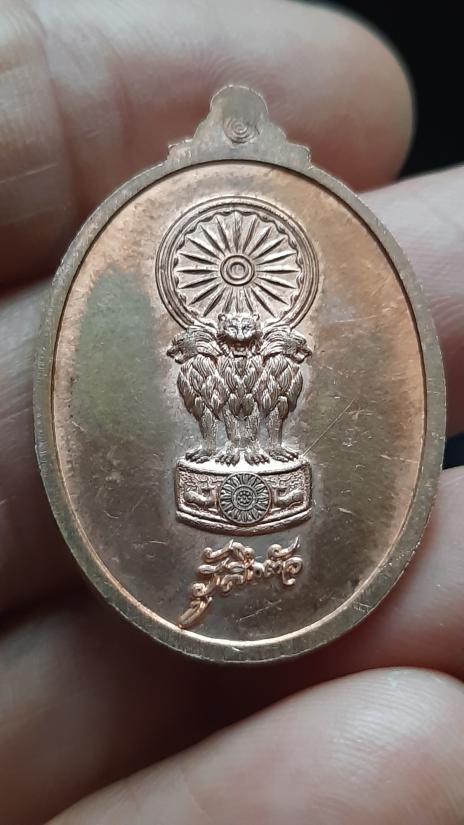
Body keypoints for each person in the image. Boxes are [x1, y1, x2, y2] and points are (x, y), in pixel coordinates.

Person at [0, 1, 463, 822]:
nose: (244, 324)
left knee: (264, 419)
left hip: (269, 468)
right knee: (221, 420)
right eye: (230, 318)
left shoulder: (284, 348)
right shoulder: (197, 351)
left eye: (258, 319)